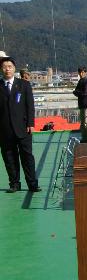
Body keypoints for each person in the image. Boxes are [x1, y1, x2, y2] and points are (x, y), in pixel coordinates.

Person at [0, 56, 40, 193]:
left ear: (14, 68)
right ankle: (14, 183)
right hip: (5, 129)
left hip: (23, 128)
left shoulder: (24, 85)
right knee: (9, 157)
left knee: (27, 156)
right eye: (4, 67)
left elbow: (30, 106)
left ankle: (32, 184)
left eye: (9, 66)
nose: (7, 69)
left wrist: (31, 123)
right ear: (1, 69)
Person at [72, 66, 87, 143]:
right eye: (80, 72)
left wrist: (77, 92)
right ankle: (85, 138)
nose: (81, 74)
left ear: (85, 73)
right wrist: (77, 92)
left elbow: (86, 93)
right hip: (83, 105)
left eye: (83, 72)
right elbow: (78, 92)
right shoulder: (81, 81)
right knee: (83, 124)